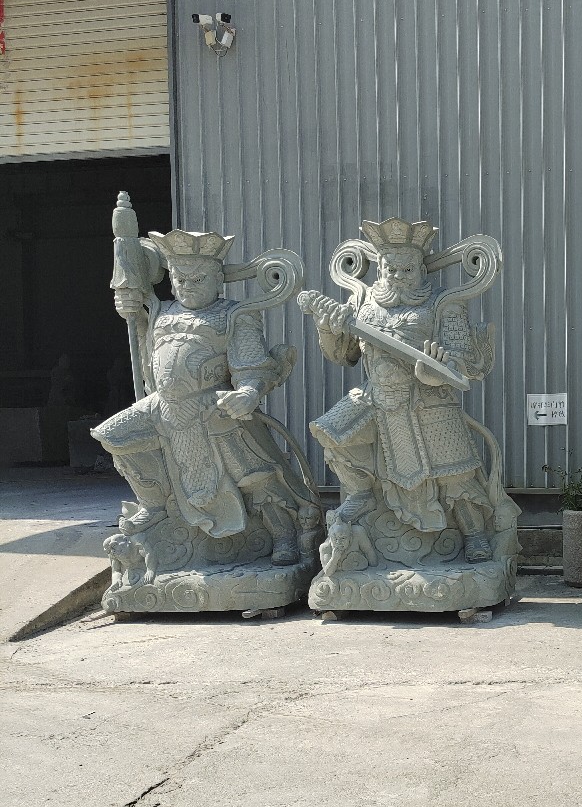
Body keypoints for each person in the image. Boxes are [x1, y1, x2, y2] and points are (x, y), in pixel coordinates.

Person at [92, 230, 312, 564]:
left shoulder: (234, 315)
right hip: (163, 405)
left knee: (252, 472)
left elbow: (251, 365)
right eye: (180, 279)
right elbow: (144, 345)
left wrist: (249, 391)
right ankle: (153, 503)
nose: (187, 286)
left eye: (198, 279)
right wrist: (133, 312)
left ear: (218, 279)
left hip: (212, 405)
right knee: (114, 435)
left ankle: (282, 533)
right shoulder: (161, 311)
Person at [306, 218, 499, 562]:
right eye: (389, 268)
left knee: (454, 473)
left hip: (428, 398)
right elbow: (344, 355)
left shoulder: (443, 304)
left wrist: (441, 369)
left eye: (406, 269)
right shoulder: (361, 303)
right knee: (331, 431)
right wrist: (327, 329)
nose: (397, 276)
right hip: (376, 396)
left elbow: (465, 362)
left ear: (421, 270)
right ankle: (362, 491)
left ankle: (474, 534)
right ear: (379, 268)